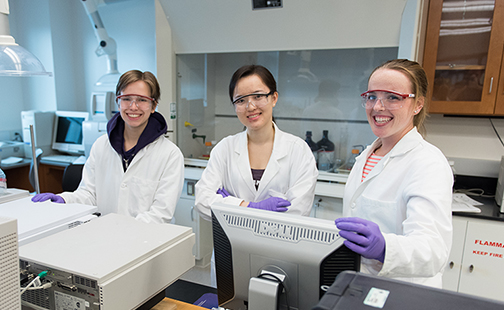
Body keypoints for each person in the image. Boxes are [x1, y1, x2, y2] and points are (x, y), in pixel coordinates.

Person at [334, 59, 453, 288]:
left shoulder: (428, 163)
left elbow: (433, 250)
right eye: (372, 96)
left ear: (417, 104)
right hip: (362, 284)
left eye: (392, 97)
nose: (378, 107)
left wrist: (385, 248)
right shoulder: (367, 155)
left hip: (404, 293)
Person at [31, 70, 184, 224]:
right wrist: (64, 199)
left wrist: (122, 231)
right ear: (118, 102)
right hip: (105, 236)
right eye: (126, 98)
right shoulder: (101, 145)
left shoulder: (170, 154)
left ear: (153, 105)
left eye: (142, 100)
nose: (133, 106)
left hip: (146, 240)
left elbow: (160, 214)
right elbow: (89, 194)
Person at [195, 64, 318, 221]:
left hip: (277, 245)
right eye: (241, 100)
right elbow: (202, 201)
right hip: (232, 245)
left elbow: (296, 215)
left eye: (258, 96)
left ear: (274, 98)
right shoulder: (225, 149)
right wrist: (251, 207)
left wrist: (230, 205)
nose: (250, 106)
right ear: (234, 106)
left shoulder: (298, 151)